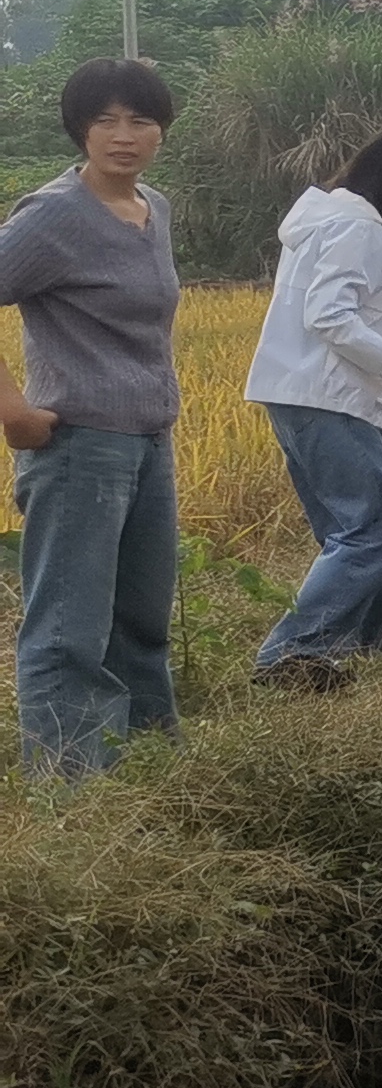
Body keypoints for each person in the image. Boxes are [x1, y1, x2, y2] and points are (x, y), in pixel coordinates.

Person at [0, 59, 185, 771]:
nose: (122, 136)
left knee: (140, 623)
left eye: (140, 120)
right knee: (67, 632)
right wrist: (13, 410)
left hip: (147, 441)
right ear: (80, 129)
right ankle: (74, 792)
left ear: (161, 131)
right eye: (104, 120)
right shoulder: (52, 215)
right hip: (78, 445)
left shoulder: (154, 208)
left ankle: (150, 768)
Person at [245, 130, 382, 682]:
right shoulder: (360, 228)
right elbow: (331, 316)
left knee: (349, 528)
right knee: (372, 528)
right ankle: (289, 654)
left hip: (297, 391)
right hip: (327, 394)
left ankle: (368, 644)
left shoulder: (326, 216)